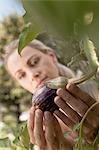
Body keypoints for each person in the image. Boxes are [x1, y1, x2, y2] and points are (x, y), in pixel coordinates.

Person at [4, 39, 99, 150]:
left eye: (34, 62)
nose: (32, 75)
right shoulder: (39, 132)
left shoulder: (95, 89)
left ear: (52, 56)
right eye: (21, 75)